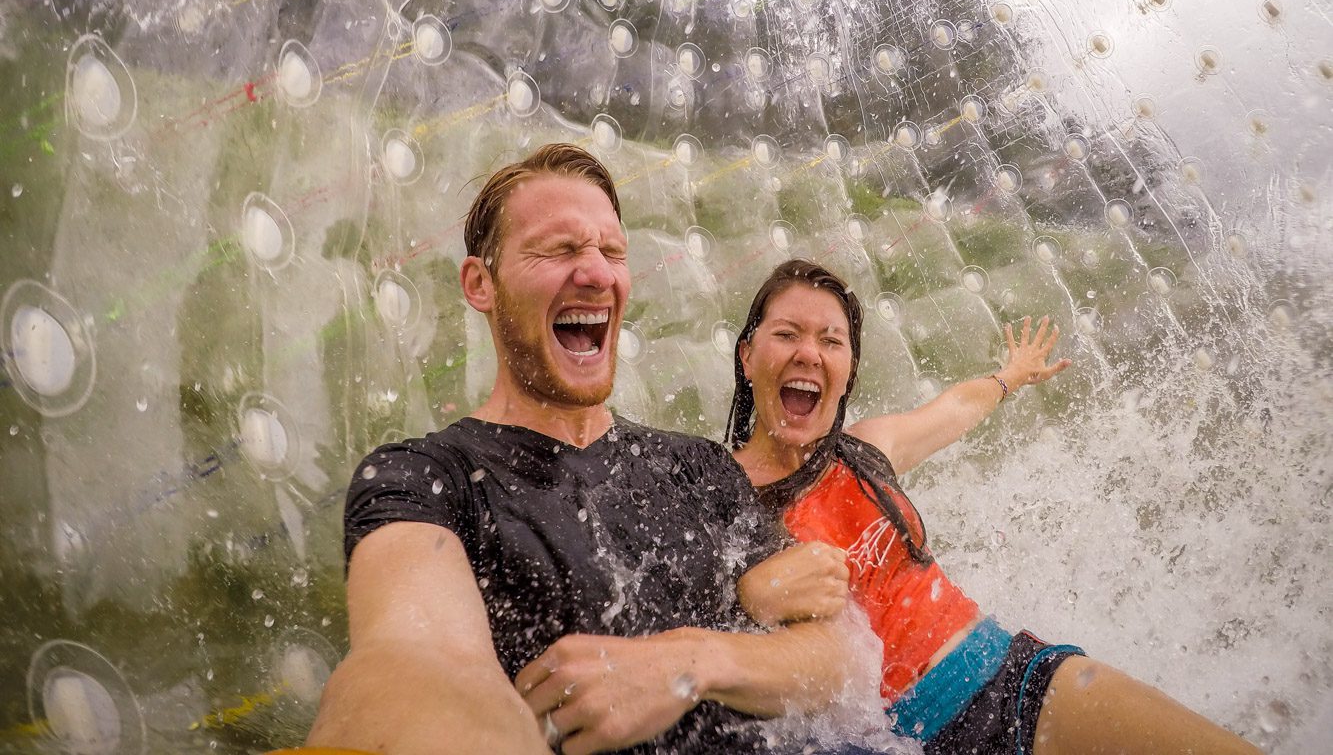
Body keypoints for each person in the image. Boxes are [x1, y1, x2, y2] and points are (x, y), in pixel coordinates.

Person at [306, 147, 876, 755]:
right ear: (480, 283)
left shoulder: (696, 467)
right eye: (559, 249)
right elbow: (410, 658)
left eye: (612, 252)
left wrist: (686, 664)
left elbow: (842, 659)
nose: (597, 273)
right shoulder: (426, 480)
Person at [726, 258, 1262, 755]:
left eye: (831, 340)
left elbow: (952, 408)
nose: (809, 353)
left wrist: (1012, 376)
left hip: (1008, 676)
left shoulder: (866, 450)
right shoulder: (719, 498)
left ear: (847, 371)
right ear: (748, 356)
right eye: (787, 334)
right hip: (892, 740)